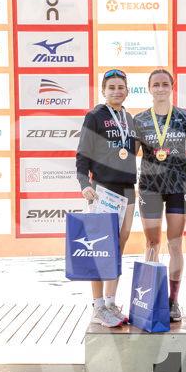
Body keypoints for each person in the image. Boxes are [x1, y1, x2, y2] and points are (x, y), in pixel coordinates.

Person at [75, 69, 137, 327]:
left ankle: (111, 303)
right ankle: (98, 306)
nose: (116, 91)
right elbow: (83, 154)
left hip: (128, 190)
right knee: (101, 249)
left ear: (127, 91)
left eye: (121, 87)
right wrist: (84, 184)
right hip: (103, 189)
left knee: (118, 248)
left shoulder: (129, 118)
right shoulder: (94, 116)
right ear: (103, 91)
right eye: (111, 87)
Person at [133, 69, 186, 322]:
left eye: (164, 84)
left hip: (178, 186)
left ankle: (173, 301)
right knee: (151, 244)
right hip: (150, 187)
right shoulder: (139, 120)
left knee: (175, 243)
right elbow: (128, 154)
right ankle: (151, 298)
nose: (160, 88)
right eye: (156, 84)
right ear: (149, 88)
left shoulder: (184, 117)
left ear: (172, 86)